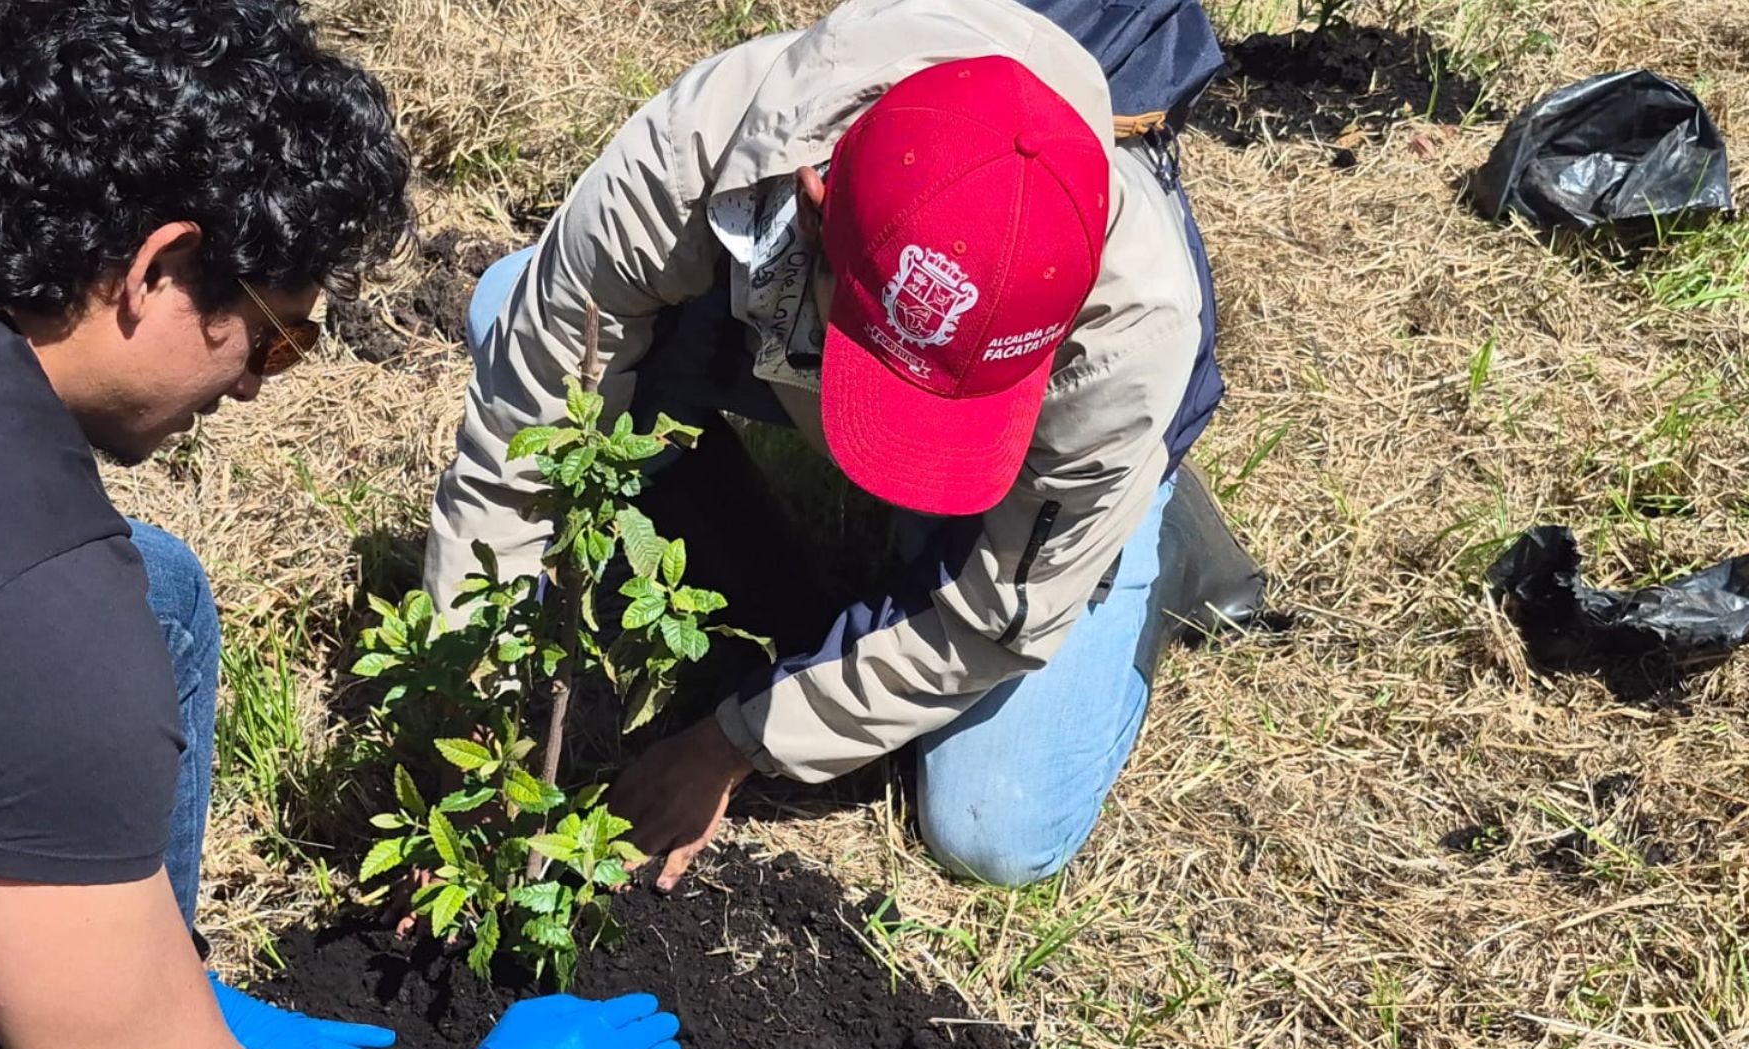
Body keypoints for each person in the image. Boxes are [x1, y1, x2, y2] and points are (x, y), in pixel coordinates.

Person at [0, 3, 680, 1049]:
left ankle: (153, 966)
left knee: (164, 588)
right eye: (273, 344)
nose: (246, 390)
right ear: (157, 267)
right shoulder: (42, 606)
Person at [425, 0, 1264, 892]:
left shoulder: (1131, 331)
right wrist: (470, 719)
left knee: (994, 828)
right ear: (817, 199)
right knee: (516, 304)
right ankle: (785, 592)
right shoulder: (714, 142)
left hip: (1066, 452)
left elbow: (990, 626)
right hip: (791, 338)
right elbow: (523, 446)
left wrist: (736, 745)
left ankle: (1146, 531)